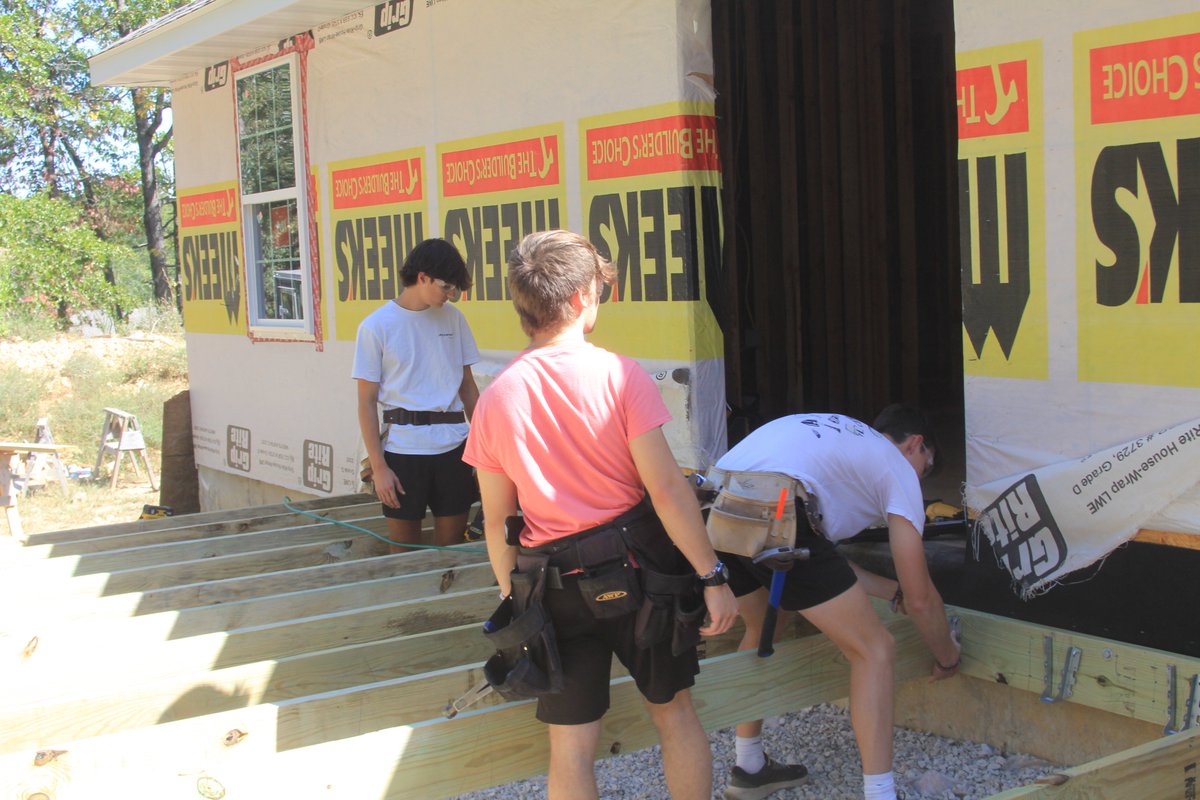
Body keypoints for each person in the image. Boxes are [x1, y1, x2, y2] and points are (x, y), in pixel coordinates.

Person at [463, 229, 739, 800]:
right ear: (586, 297)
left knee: (570, 748)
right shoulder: (620, 375)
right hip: (639, 571)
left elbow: (497, 521)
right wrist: (712, 576)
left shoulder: (496, 398)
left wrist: (511, 597)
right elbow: (666, 490)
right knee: (675, 715)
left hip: (551, 584)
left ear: (522, 305)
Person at [712, 407, 961, 800]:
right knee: (875, 650)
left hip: (720, 504)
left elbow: (822, 564)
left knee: (765, 629)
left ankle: (749, 767)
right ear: (915, 445)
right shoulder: (895, 467)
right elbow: (921, 597)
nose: (919, 481)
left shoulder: (845, 443)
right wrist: (947, 655)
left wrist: (886, 589)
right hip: (779, 509)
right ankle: (880, 793)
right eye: (924, 468)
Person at [352, 238, 480, 551]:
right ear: (422, 277)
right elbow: (366, 402)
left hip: (454, 447)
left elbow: (467, 386)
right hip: (403, 453)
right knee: (404, 556)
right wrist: (380, 468)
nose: (450, 296)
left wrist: (483, 445)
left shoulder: (454, 318)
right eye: (446, 287)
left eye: (455, 290)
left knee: (452, 553)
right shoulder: (376, 326)